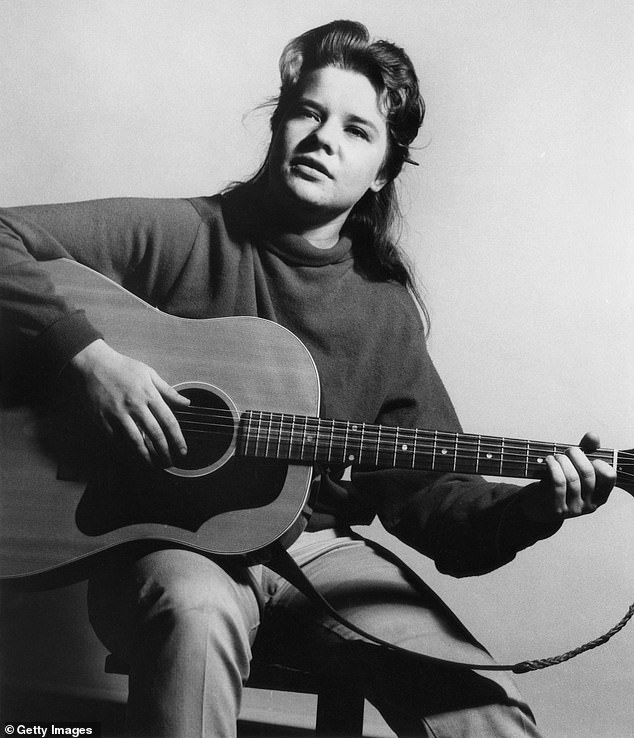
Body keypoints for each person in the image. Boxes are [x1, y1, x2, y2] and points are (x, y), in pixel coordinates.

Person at [0, 19, 616, 738]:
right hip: (172, 551)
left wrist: (536, 508)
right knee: (195, 621)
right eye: (308, 112)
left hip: (315, 557)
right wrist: (89, 362)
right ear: (277, 124)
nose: (325, 138)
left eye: (358, 130)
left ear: (383, 169)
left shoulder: (383, 312)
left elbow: (431, 505)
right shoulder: (182, 234)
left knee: (479, 706)